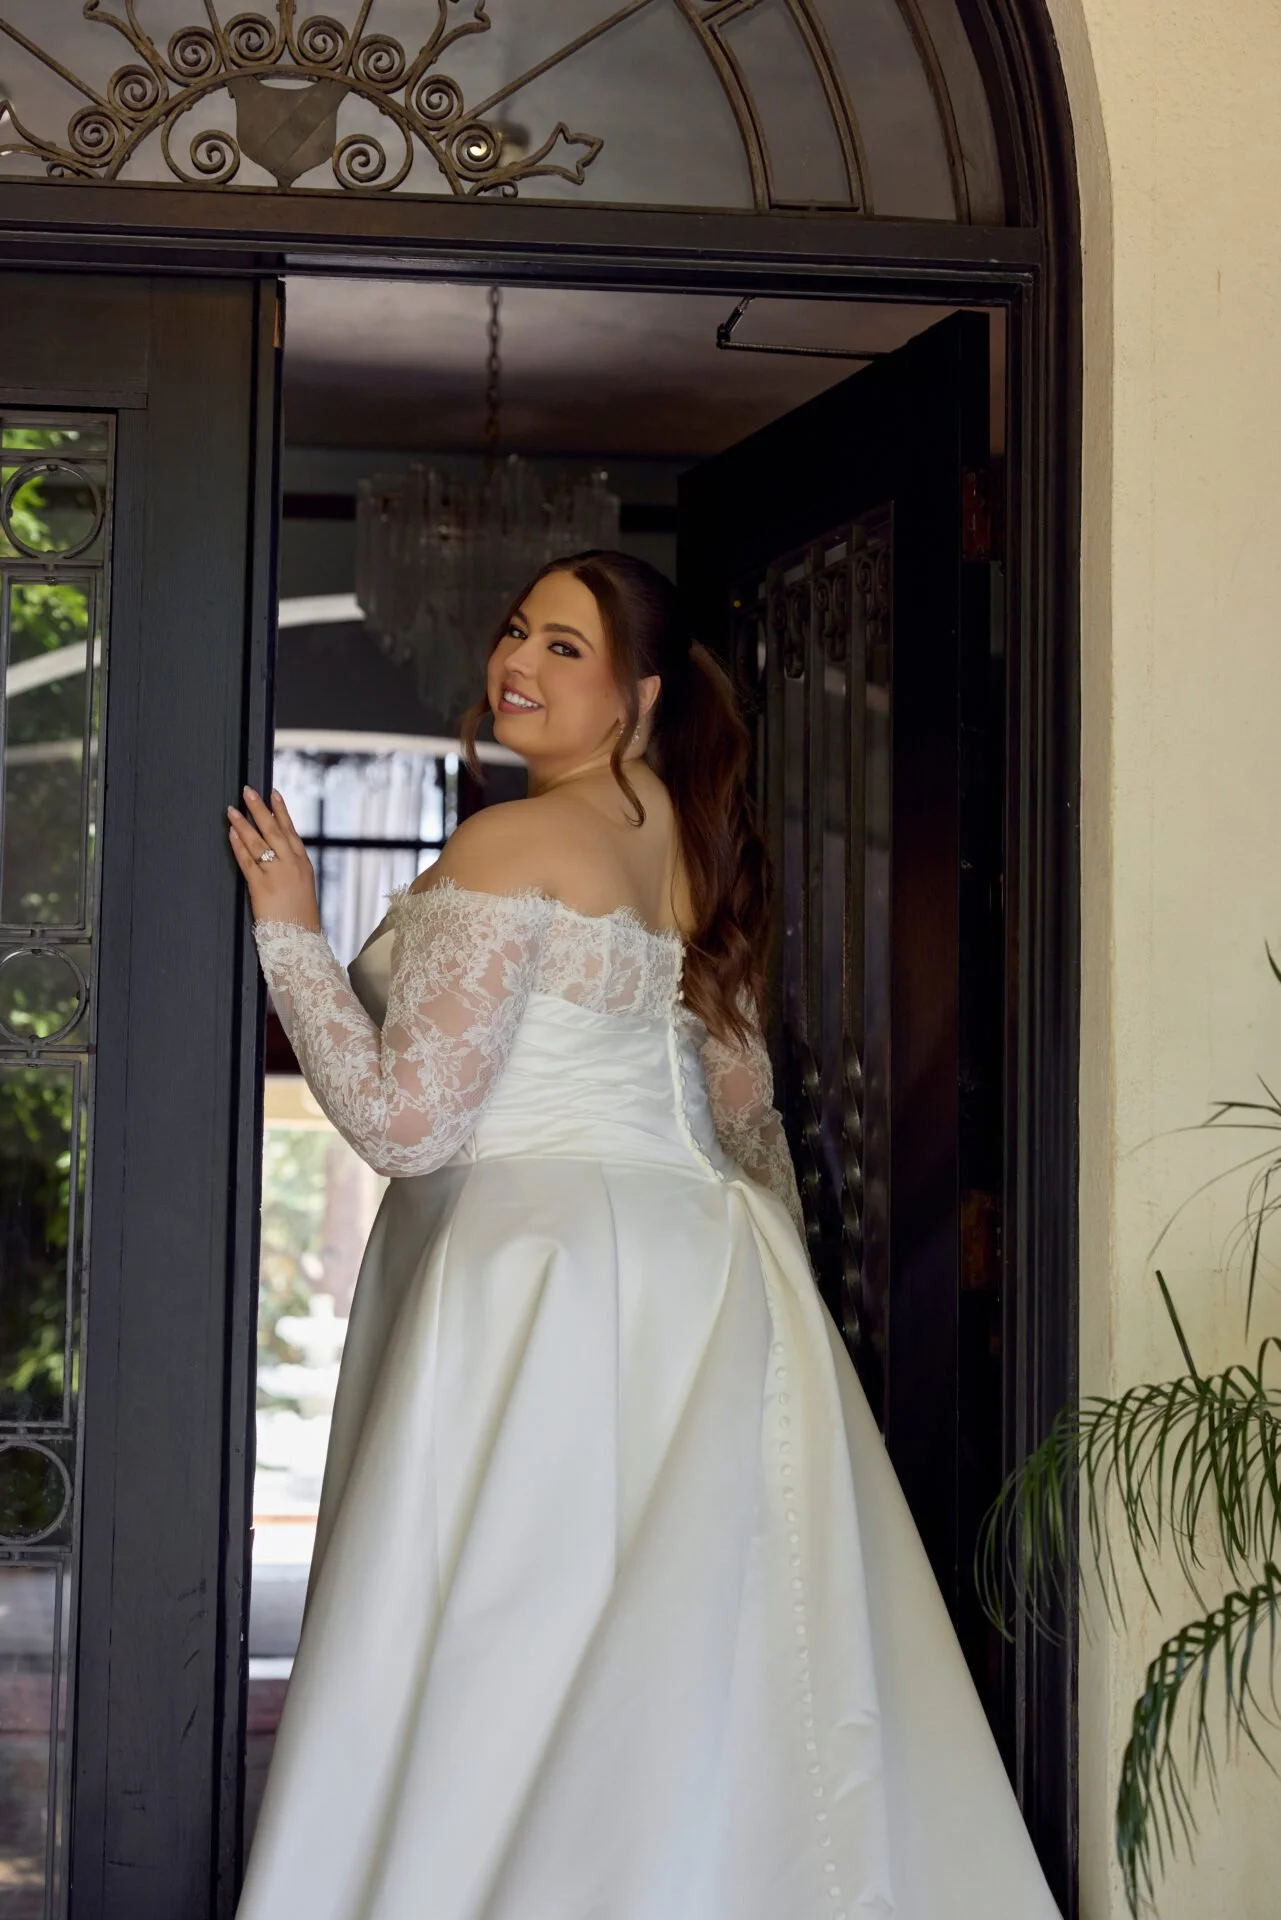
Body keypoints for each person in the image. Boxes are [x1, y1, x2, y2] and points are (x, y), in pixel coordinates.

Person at [228, 552, 1061, 1920]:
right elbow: (740, 1108)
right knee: (698, 1676)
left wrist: (290, 933)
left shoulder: (512, 839)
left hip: (538, 1286)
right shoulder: (687, 838)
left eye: (567, 646)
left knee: (513, 1662)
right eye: (516, 632)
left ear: (640, 691)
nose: (519, 661)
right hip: (704, 1275)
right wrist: (775, 1291)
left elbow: (406, 1126)